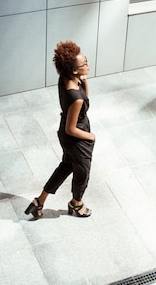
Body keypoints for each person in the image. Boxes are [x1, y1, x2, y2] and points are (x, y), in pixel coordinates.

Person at [25, 40, 95, 219]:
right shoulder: (76, 98)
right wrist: (90, 136)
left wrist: (84, 82)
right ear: (74, 70)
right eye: (84, 64)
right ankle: (76, 204)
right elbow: (71, 128)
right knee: (83, 172)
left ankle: (39, 201)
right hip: (76, 138)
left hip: (66, 135)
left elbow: (83, 97)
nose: (88, 65)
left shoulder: (64, 79)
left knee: (66, 167)